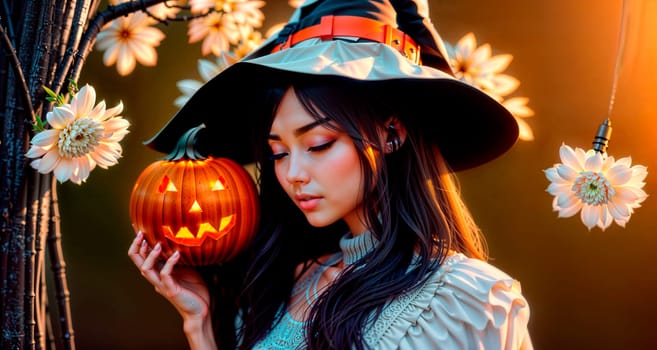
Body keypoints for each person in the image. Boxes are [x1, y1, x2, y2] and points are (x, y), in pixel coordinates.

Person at [128, 0, 533, 349]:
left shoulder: (468, 300)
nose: (293, 174)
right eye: (278, 152)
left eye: (319, 144)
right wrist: (199, 325)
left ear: (391, 133)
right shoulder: (284, 285)